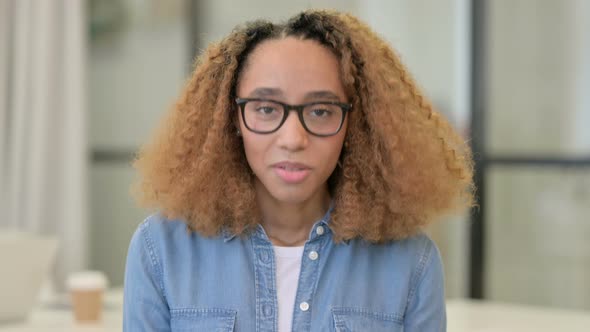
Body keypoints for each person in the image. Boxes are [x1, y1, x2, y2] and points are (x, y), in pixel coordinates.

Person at [123, 9, 474, 332]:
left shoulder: (412, 262)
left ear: (355, 124)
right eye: (265, 109)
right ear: (231, 119)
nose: (293, 139)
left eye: (321, 111)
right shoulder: (161, 250)